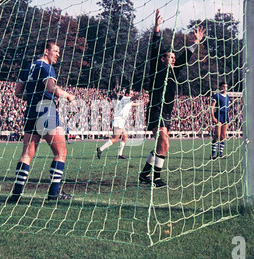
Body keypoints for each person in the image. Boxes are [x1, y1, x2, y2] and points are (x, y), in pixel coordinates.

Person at [139, 9, 206, 187]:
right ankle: (156, 178)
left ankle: (145, 173)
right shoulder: (156, 69)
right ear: (163, 59)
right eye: (170, 57)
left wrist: (195, 43)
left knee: (164, 146)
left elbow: (186, 56)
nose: (173, 60)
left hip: (167, 111)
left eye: (174, 58)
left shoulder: (175, 71)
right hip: (156, 109)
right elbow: (154, 49)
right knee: (164, 141)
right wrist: (157, 29)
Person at [10, 39, 76, 202]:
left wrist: (32, 96)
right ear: (46, 51)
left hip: (31, 110)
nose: (58, 55)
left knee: (26, 154)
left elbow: (18, 92)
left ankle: (16, 194)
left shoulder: (27, 68)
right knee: (61, 153)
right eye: (55, 51)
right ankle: (54, 193)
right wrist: (67, 95)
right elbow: (51, 88)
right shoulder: (47, 67)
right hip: (46, 110)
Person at [96, 88, 141, 159]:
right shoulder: (125, 99)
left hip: (121, 121)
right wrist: (141, 94)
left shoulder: (127, 101)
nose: (132, 95)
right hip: (118, 121)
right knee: (115, 139)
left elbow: (132, 104)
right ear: (127, 94)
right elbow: (132, 99)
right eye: (131, 93)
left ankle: (120, 154)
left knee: (125, 137)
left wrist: (142, 103)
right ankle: (100, 149)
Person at [210, 82, 231, 159]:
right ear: (220, 87)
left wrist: (229, 119)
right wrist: (213, 117)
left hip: (225, 117)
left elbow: (228, 109)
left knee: (223, 136)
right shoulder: (217, 95)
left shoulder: (227, 97)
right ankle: (213, 154)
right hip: (218, 116)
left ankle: (220, 154)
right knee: (217, 135)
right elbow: (212, 107)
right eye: (223, 86)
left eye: (226, 86)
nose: (225, 88)